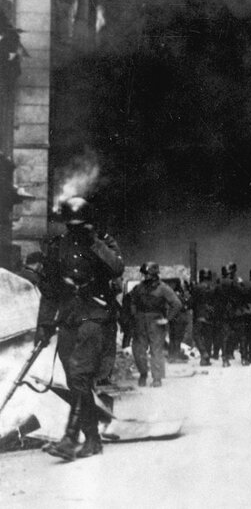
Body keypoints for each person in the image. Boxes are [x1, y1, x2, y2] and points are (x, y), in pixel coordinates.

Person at [34, 197, 124, 460]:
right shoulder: (57, 247)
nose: (75, 229)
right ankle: (87, 438)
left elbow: (116, 267)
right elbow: (49, 290)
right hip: (69, 317)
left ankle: (75, 437)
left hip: (96, 315)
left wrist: (94, 241)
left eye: (80, 225)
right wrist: (44, 324)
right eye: (71, 225)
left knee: (79, 373)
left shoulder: (103, 243)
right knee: (74, 380)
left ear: (89, 222)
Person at [129, 262, 182, 387]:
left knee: (156, 350)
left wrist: (167, 319)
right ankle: (143, 373)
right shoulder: (138, 288)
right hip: (140, 321)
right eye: (144, 274)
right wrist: (134, 315)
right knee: (138, 350)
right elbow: (132, 301)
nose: (145, 277)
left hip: (156, 321)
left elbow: (177, 304)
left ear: (154, 274)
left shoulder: (163, 288)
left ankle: (157, 378)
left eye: (147, 274)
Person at [190, 268, 218, 366]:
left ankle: (203, 353)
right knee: (208, 337)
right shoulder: (214, 287)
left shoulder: (196, 287)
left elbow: (192, 302)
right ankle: (206, 359)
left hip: (199, 314)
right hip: (210, 314)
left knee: (196, 335)